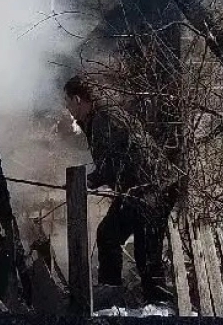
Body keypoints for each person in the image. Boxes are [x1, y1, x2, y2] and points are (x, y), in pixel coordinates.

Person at [64, 73, 184, 304]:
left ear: (77, 100)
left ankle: (159, 303)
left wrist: (87, 182)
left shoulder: (104, 119)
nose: (68, 108)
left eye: (68, 102)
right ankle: (112, 293)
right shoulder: (101, 116)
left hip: (153, 188)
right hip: (140, 188)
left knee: (146, 251)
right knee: (108, 234)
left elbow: (113, 163)